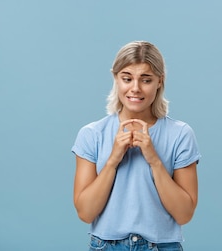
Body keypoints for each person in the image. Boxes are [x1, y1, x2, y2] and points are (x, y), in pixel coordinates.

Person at [71, 41, 201, 251]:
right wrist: (113, 160)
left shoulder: (180, 134)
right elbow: (85, 212)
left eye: (146, 79)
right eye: (127, 78)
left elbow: (184, 214)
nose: (135, 88)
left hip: (161, 246)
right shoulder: (92, 134)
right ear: (116, 79)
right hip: (106, 246)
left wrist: (154, 160)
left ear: (160, 81)